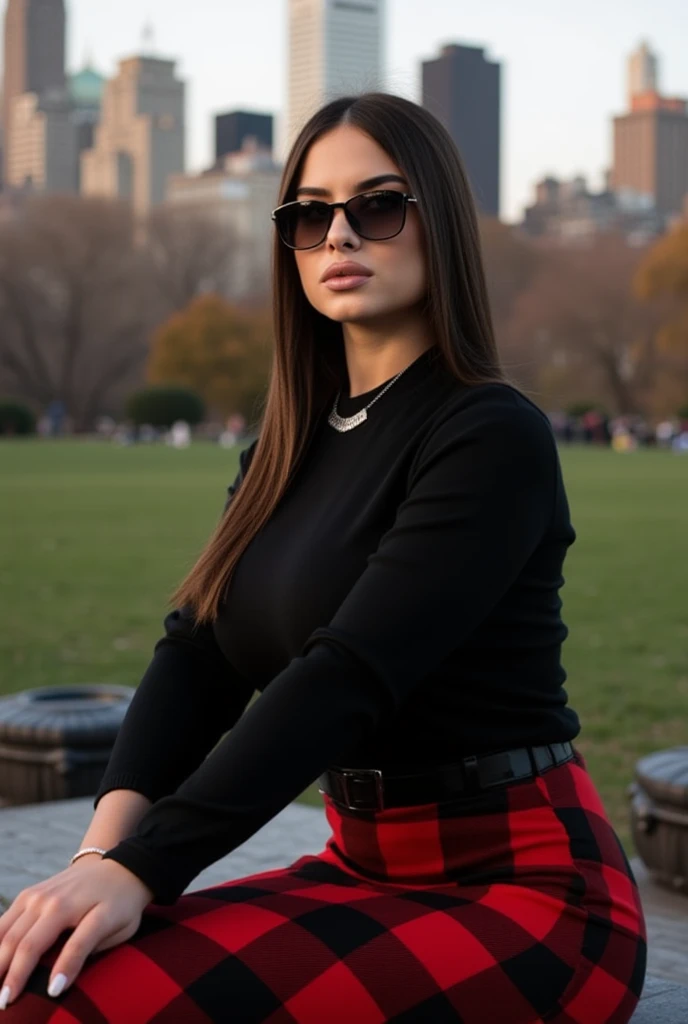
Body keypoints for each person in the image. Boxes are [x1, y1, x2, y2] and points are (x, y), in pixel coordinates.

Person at [0, 92, 646, 1022]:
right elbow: (199, 653)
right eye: (310, 214)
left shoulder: (490, 433)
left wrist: (152, 866)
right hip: (362, 865)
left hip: (528, 892)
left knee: (66, 1009)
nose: (339, 234)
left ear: (440, 224)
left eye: (377, 206)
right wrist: (100, 864)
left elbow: (345, 677)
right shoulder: (285, 443)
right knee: (34, 972)